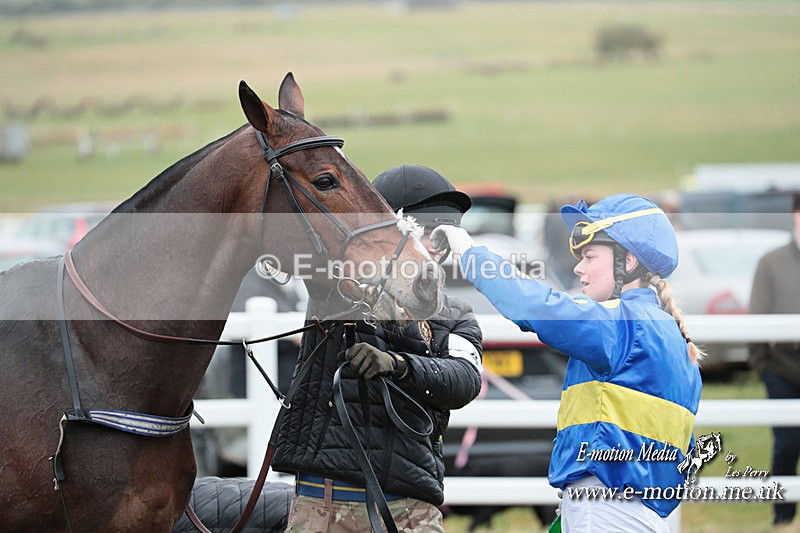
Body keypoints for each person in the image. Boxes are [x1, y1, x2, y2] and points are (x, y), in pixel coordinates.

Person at [433, 193, 703, 531]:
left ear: (629, 261)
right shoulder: (673, 336)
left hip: (605, 508)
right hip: (635, 509)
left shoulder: (621, 324)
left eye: (590, 256)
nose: (579, 267)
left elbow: (537, 306)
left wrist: (470, 254)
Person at [271, 164, 483, 532]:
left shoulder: (455, 314)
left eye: (444, 236)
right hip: (324, 503)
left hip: (410, 507)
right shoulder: (339, 283)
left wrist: (398, 365)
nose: (436, 248)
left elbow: (465, 380)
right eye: (424, 231)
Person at [748, 192, 800, 528]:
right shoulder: (772, 262)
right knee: (787, 444)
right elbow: (757, 313)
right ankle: (783, 516)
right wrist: (763, 365)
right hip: (783, 366)